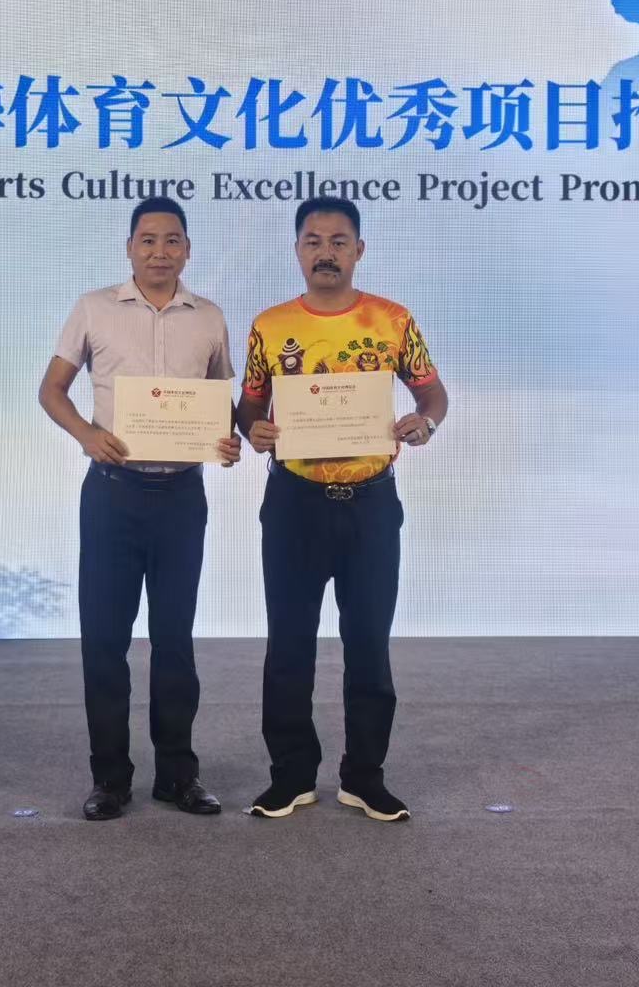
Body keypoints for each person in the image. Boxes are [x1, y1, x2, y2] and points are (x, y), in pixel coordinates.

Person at [236, 196, 448, 822]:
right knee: (289, 645)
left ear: (359, 250)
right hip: (294, 503)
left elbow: (432, 394)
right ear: (297, 251)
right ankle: (291, 777)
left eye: (338, 241)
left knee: (369, 644)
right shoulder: (270, 326)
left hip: (371, 505)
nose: (325, 252)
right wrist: (253, 430)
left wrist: (425, 423)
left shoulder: (393, 320)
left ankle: (364, 777)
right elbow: (250, 406)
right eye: (313, 241)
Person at [40, 197, 242, 821]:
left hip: (181, 497)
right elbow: (51, 389)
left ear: (188, 250)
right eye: (148, 240)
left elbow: (219, 403)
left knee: (174, 641)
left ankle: (178, 776)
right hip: (113, 494)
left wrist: (227, 439)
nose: (160, 251)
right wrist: (86, 434)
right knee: (105, 641)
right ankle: (110, 779)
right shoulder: (94, 308)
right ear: (129, 248)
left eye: (172, 240)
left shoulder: (209, 318)